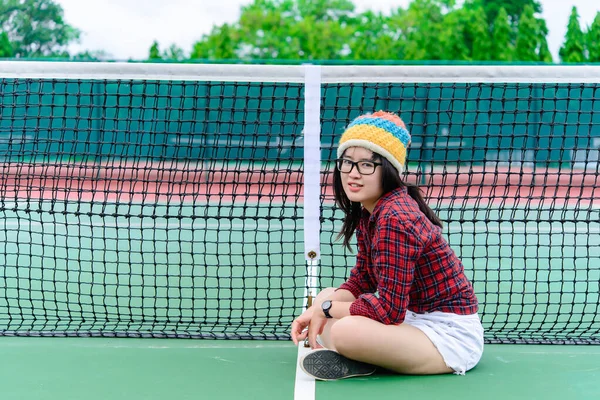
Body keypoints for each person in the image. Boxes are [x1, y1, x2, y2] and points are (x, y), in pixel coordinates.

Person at [291, 111, 484, 381]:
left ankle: (364, 354)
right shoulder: (369, 212)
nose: (352, 174)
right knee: (327, 295)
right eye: (346, 163)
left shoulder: (396, 218)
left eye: (366, 165)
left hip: (448, 333)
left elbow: (388, 310)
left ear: (389, 170)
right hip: (409, 318)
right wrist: (323, 305)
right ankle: (367, 357)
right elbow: (362, 280)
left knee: (345, 329)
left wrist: (324, 310)